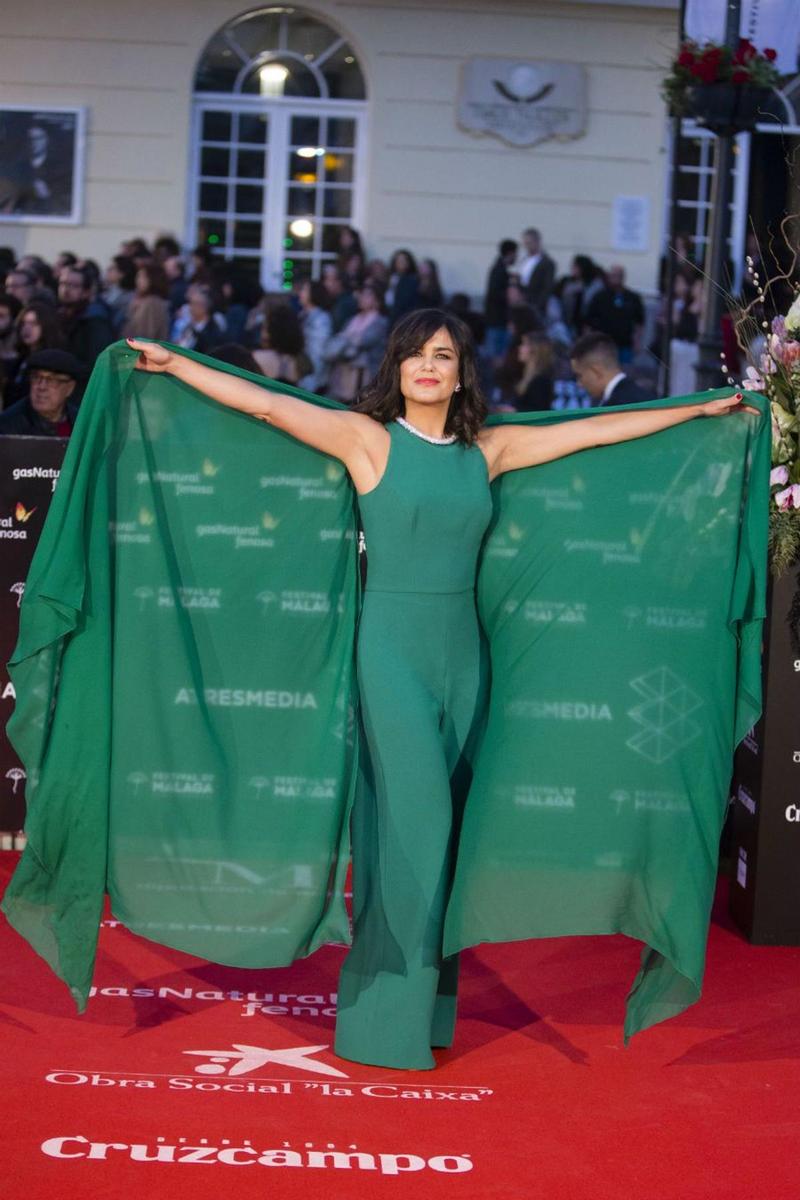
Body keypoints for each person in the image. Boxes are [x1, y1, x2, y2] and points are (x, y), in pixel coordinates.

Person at [126, 310, 750, 1070]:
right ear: (397, 366)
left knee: (436, 839)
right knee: (416, 826)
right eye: (417, 354)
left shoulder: (487, 451)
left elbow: (596, 433)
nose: (429, 365)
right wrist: (175, 365)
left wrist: (697, 408)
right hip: (390, 655)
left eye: (444, 355)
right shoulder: (368, 440)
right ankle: (385, 1022)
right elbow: (265, 403)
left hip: (465, 660)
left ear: (461, 372)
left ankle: (418, 1011)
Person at [324, 282, 389, 402]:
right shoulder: (352, 319)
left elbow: (364, 341)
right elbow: (342, 339)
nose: (362, 298)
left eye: (367, 295)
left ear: (377, 300)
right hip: (342, 374)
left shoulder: (380, 322)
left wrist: (347, 338)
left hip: (364, 375)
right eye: (362, 295)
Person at [0, 348, 85, 436]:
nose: (41, 387)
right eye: (36, 378)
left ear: (70, 388)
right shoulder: (8, 426)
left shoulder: (80, 422)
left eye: (51, 380)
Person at [570, 331, 651, 406]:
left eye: (579, 376)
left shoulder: (618, 406)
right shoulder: (643, 397)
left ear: (596, 371)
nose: (579, 384)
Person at [583, 264, 645, 362]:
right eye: (613, 275)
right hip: (603, 345)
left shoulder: (633, 298)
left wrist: (637, 342)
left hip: (625, 345)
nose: (616, 278)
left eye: (618, 275)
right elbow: (588, 321)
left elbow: (639, 322)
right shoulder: (600, 297)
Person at [58, 265, 114, 367]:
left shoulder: (95, 321)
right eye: (63, 283)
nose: (65, 289)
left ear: (86, 292)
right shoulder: (60, 315)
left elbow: (97, 362)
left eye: (73, 285)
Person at [252, 304, 309, 384]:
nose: (262, 334)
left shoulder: (256, 357)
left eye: (264, 328)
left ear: (271, 332)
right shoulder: (301, 363)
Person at [484, 239, 518, 359]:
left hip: (495, 320)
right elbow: (495, 293)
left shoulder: (499, 269)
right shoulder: (500, 271)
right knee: (495, 357)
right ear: (510, 253)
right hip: (498, 320)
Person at [297, 279, 333, 392]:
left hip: (313, 379)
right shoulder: (302, 315)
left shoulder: (322, 319)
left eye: (304, 290)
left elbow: (319, 352)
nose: (300, 293)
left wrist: (313, 380)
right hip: (302, 374)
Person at [123, 263, 171, 342]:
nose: (138, 280)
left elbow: (146, 335)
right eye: (138, 276)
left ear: (154, 279)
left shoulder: (153, 302)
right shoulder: (142, 300)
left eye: (143, 277)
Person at [517, 228, 556, 319]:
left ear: (537, 242)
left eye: (529, 243)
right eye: (525, 243)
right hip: (522, 304)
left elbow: (547, 287)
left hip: (536, 306)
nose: (527, 246)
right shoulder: (524, 261)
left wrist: (538, 305)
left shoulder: (547, 263)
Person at [514, 331, 555, 412]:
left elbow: (539, 411)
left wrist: (513, 411)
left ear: (535, 349)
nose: (519, 348)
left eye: (524, 344)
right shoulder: (526, 376)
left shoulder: (541, 380)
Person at [103, 255, 137, 334]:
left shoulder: (129, 296)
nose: (108, 270)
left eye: (112, 268)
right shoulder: (110, 290)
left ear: (122, 274)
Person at [385, 249, 420, 325]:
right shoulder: (390, 278)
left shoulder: (412, 280)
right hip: (389, 315)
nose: (401, 263)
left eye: (403, 261)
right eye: (398, 260)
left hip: (403, 317)